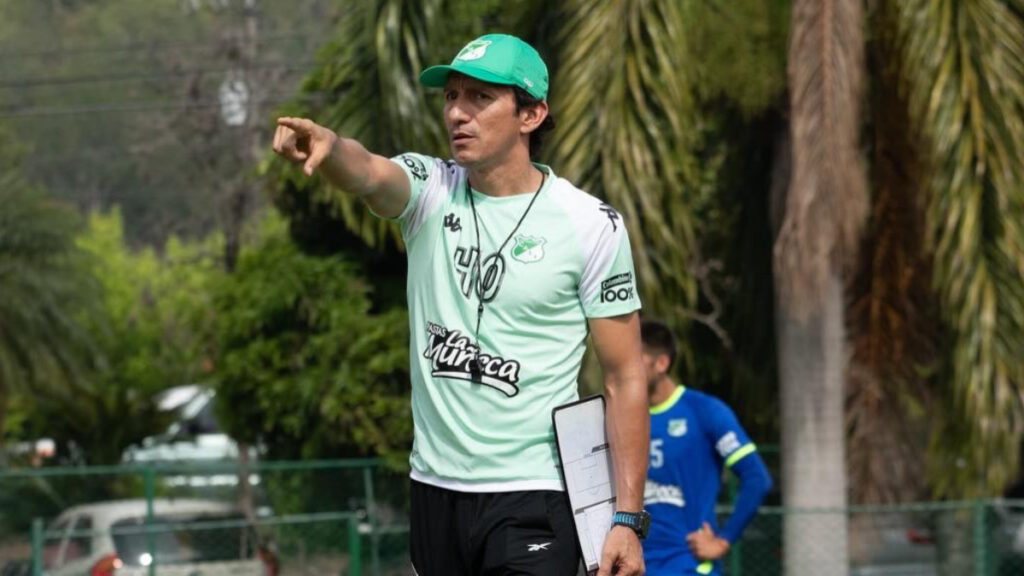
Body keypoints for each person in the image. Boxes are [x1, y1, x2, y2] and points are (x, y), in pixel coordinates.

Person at [272, 34, 650, 576]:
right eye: (451, 96)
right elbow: (370, 172)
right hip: (435, 492)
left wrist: (627, 518)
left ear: (532, 114)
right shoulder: (430, 192)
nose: (457, 113)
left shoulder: (591, 225)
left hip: (534, 493)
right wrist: (331, 146)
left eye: (480, 98)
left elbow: (625, 378)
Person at [640, 319, 772, 575]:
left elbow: (757, 478)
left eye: (636, 360)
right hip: (637, 567)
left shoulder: (703, 411)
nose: (625, 369)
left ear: (662, 363)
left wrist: (724, 540)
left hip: (688, 567)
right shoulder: (619, 419)